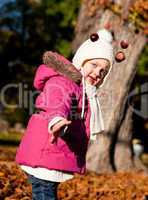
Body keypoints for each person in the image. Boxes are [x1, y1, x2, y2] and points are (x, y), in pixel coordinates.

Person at [15, 29, 114, 200]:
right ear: (82, 61)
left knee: (45, 193)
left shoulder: (83, 91)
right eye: (94, 65)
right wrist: (57, 120)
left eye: (103, 71)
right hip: (46, 150)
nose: (98, 73)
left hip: (52, 154)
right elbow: (56, 102)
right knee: (45, 193)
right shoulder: (64, 82)